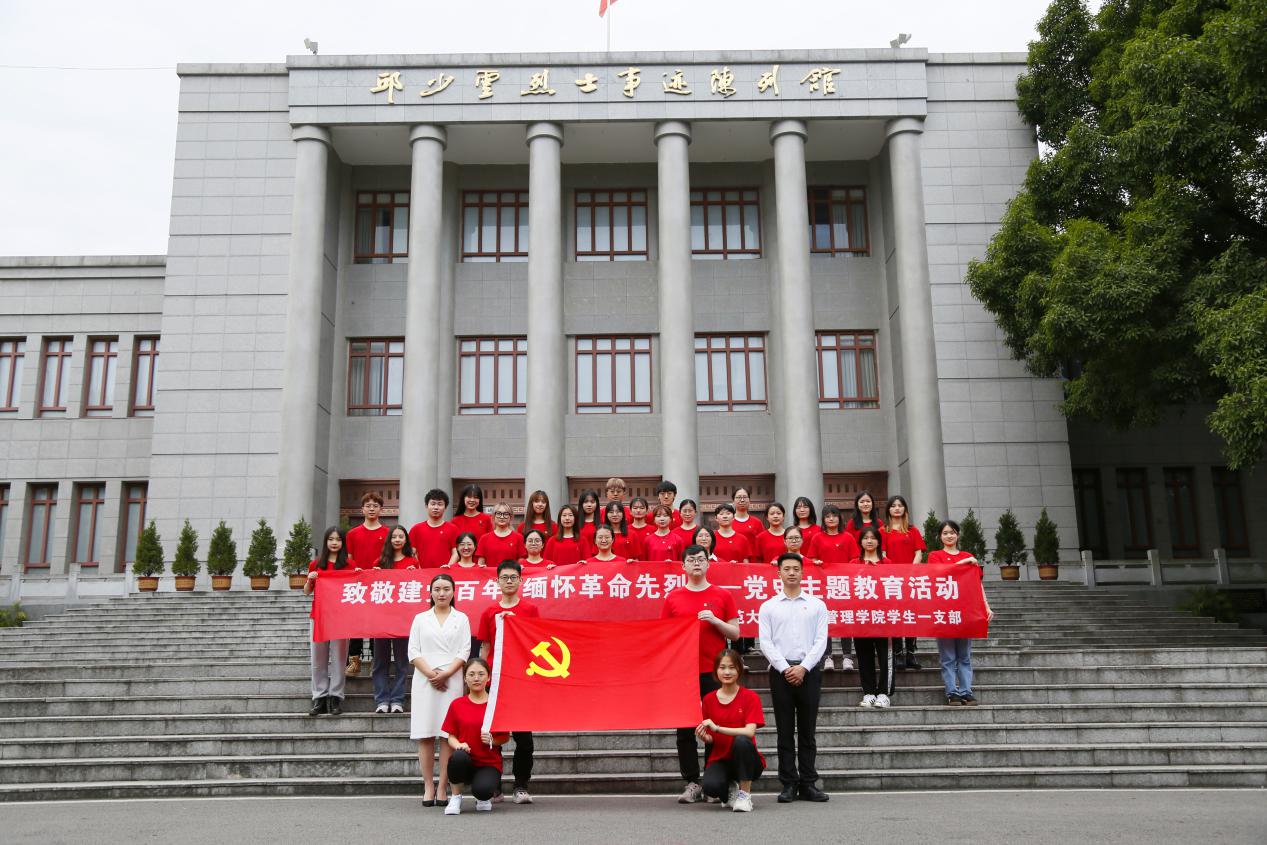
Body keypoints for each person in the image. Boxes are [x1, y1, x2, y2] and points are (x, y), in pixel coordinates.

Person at [662, 545, 741, 804]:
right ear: (683, 566)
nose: (696, 563)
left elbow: (735, 633)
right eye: (691, 559)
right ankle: (692, 782)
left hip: (715, 673)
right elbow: (664, 635)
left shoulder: (722, 595)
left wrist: (715, 621)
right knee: (685, 730)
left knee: (714, 727)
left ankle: (712, 781)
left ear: (708, 564)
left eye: (701, 559)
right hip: (683, 673)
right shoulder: (673, 598)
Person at [759, 553, 830, 803]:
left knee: (808, 731)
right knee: (785, 730)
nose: (791, 573)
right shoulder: (769, 606)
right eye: (786, 568)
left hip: (809, 672)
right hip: (780, 673)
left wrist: (803, 668)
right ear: (778, 572)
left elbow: (821, 641)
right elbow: (765, 642)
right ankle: (788, 783)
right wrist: (785, 668)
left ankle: (809, 782)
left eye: (796, 569)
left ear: (802, 572)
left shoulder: (817, 605)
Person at [478, 560, 541, 803]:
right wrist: (482, 677)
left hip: (522, 679)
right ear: (497, 581)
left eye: (513, 577)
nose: (509, 581)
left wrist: (517, 623)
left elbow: (537, 643)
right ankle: (494, 787)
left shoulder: (530, 610)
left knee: (524, 739)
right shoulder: (489, 612)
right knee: (493, 737)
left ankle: (521, 785)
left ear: (521, 580)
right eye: (504, 577)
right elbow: (485, 647)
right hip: (495, 679)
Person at [408, 573, 471, 807]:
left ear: (453, 592)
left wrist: (445, 674)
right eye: (437, 589)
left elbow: (464, 651)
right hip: (425, 680)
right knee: (425, 734)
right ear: (430, 592)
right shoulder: (420, 618)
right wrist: (432, 674)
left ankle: (443, 785)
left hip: (451, 679)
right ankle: (428, 785)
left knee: (447, 735)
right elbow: (413, 651)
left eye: (446, 589)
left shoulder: (461, 618)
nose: (441, 593)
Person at [929, 520, 994, 706]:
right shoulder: (935, 556)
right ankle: (952, 693)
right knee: (948, 657)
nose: (949, 536)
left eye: (952, 532)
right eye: (945, 533)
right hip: (944, 612)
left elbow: (977, 584)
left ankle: (966, 691)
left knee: (964, 656)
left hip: (965, 611)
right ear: (940, 536)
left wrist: (986, 606)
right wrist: (966, 562)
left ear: (957, 535)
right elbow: (941, 572)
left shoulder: (967, 555)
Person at [697, 649, 765, 812]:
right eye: (722, 667)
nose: (727, 672)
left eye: (732, 667)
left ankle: (745, 795)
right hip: (721, 759)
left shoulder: (750, 697)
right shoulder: (708, 699)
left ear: (739, 670)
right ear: (716, 671)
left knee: (741, 741)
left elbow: (749, 732)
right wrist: (705, 737)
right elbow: (712, 737)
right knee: (710, 787)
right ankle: (731, 787)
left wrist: (718, 728)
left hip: (747, 759)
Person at [443, 658, 510, 815]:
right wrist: (459, 745)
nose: (476, 678)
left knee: (483, 791)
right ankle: (455, 797)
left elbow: (505, 737)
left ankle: (482, 797)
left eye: (481, 674)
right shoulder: (457, 704)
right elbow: (451, 737)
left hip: (489, 763)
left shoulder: (496, 705)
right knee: (458, 756)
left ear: (488, 677)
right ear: (465, 678)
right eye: (471, 674)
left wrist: (493, 740)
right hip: (465, 760)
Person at [304, 526, 352, 716]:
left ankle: (336, 696)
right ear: (325, 542)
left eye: (338, 539)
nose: (334, 543)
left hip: (341, 617)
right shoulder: (316, 564)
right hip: (319, 616)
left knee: (339, 658)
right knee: (318, 658)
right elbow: (307, 591)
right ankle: (319, 697)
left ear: (343, 543)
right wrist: (310, 579)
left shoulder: (349, 564)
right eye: (331, 539)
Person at [807, 504, 859, 672]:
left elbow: (855, 559)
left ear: (839, 518)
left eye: (834, 515)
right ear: (823, 519)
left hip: (843, 585)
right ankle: (827, 656)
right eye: (828, 516)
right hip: (824, 585)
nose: (831, 519)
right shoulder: (817, 538)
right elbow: (811, 559)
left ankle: (847, 657)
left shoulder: (848, 537)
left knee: (845, 619)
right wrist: (816, 562)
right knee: (825, 621)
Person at [344, 492, 389, 676]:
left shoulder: (387, 533)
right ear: (362, 509)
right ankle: (354, 661)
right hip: (358, 584)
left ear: (381, 509)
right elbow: (349, 558)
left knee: (376, 624)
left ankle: (374, 661)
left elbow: (389, 557)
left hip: (380, 585)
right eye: (368, 506)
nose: (371, 509)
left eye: (375, 506)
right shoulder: (353, 534)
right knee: (355, 623)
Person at [374, 526, 417, 714]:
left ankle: (398, 699)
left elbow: (419, 587)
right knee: (380, 662)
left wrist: (415, 573)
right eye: (394, 537)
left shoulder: (412, 562)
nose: (397, 539)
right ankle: (382, 700)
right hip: (381, 619)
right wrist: (373, 574)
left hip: (403, 620)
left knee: (402, 662)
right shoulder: (380, 562)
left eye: (401, 536)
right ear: (389, 540)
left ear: (406, 540)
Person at [881, 494, 925, 670]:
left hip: (911, 579)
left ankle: (911, 653)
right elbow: (883, 554)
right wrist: (894, 572)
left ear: (905, 509)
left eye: (900, 505)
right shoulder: (884, 531)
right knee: (896, 615)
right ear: (888, 510)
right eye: (893, 506)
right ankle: (898, 653)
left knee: (911, 615)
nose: (897, 508)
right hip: (892, 580)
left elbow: (918, 553)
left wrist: (910, 572)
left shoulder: (913, 530)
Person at [853, 526, 894, 708]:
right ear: (860, 542)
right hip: (861, 617)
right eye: (865, 538)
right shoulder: (853, 563)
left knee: (885, 657)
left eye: (873, 537)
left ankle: (884, 693)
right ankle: (868, 692)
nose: (869, 541)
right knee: (864, 656)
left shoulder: (887, 563)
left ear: (879, 541)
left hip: (884, 617)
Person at [410, 489, 460, 568]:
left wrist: (448, 567)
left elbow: (456, 552)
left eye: (440, 504)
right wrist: (419, 569)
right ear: (426, 505)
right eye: (433, 504)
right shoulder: (416, 529)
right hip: (422, 573)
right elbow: (412, 553)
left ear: (445, 507)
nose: (436, 507)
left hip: (445, 573)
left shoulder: (453, 529)